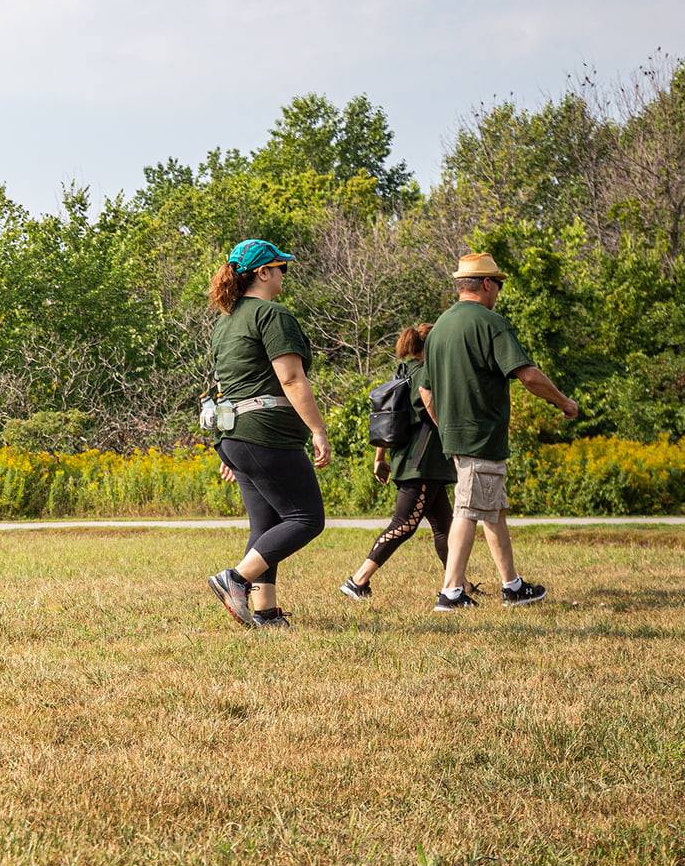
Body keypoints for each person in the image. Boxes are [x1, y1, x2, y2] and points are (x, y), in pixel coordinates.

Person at [421, 251, 580, 613]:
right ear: (487, 284)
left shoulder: (440, 327)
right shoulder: (490, 323)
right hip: (482, 435)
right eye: (500, 284)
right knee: (468, 509)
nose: (500, 291)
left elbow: (425, 390)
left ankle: (512, 585)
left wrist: (446, 424)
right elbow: (527, 374)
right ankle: (451, 593)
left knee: (492, 508)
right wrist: (563, 402)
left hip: (456, 436)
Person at [204, 239, 331, 629]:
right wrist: (318, 429)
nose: (283, 276)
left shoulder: (225, 322)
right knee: (306, 518)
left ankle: (266, 613)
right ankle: (236, 579)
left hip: (234, 435)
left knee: (267, 525)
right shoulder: (272, 315)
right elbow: (291, 378)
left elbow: (225, 386)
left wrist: (233, 450)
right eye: (281, 268)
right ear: (263, 272)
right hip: (266, 433)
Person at [339, 323, 457, 599]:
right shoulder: (427, 371)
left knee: (444, 525)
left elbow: (387, 416)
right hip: (423, 460)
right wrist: (448, 433)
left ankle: (456, 583)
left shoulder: (403, 372)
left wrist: (379, 457)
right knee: (404, 524)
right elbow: (427, 400)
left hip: (409, 457)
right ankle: (358, 580)